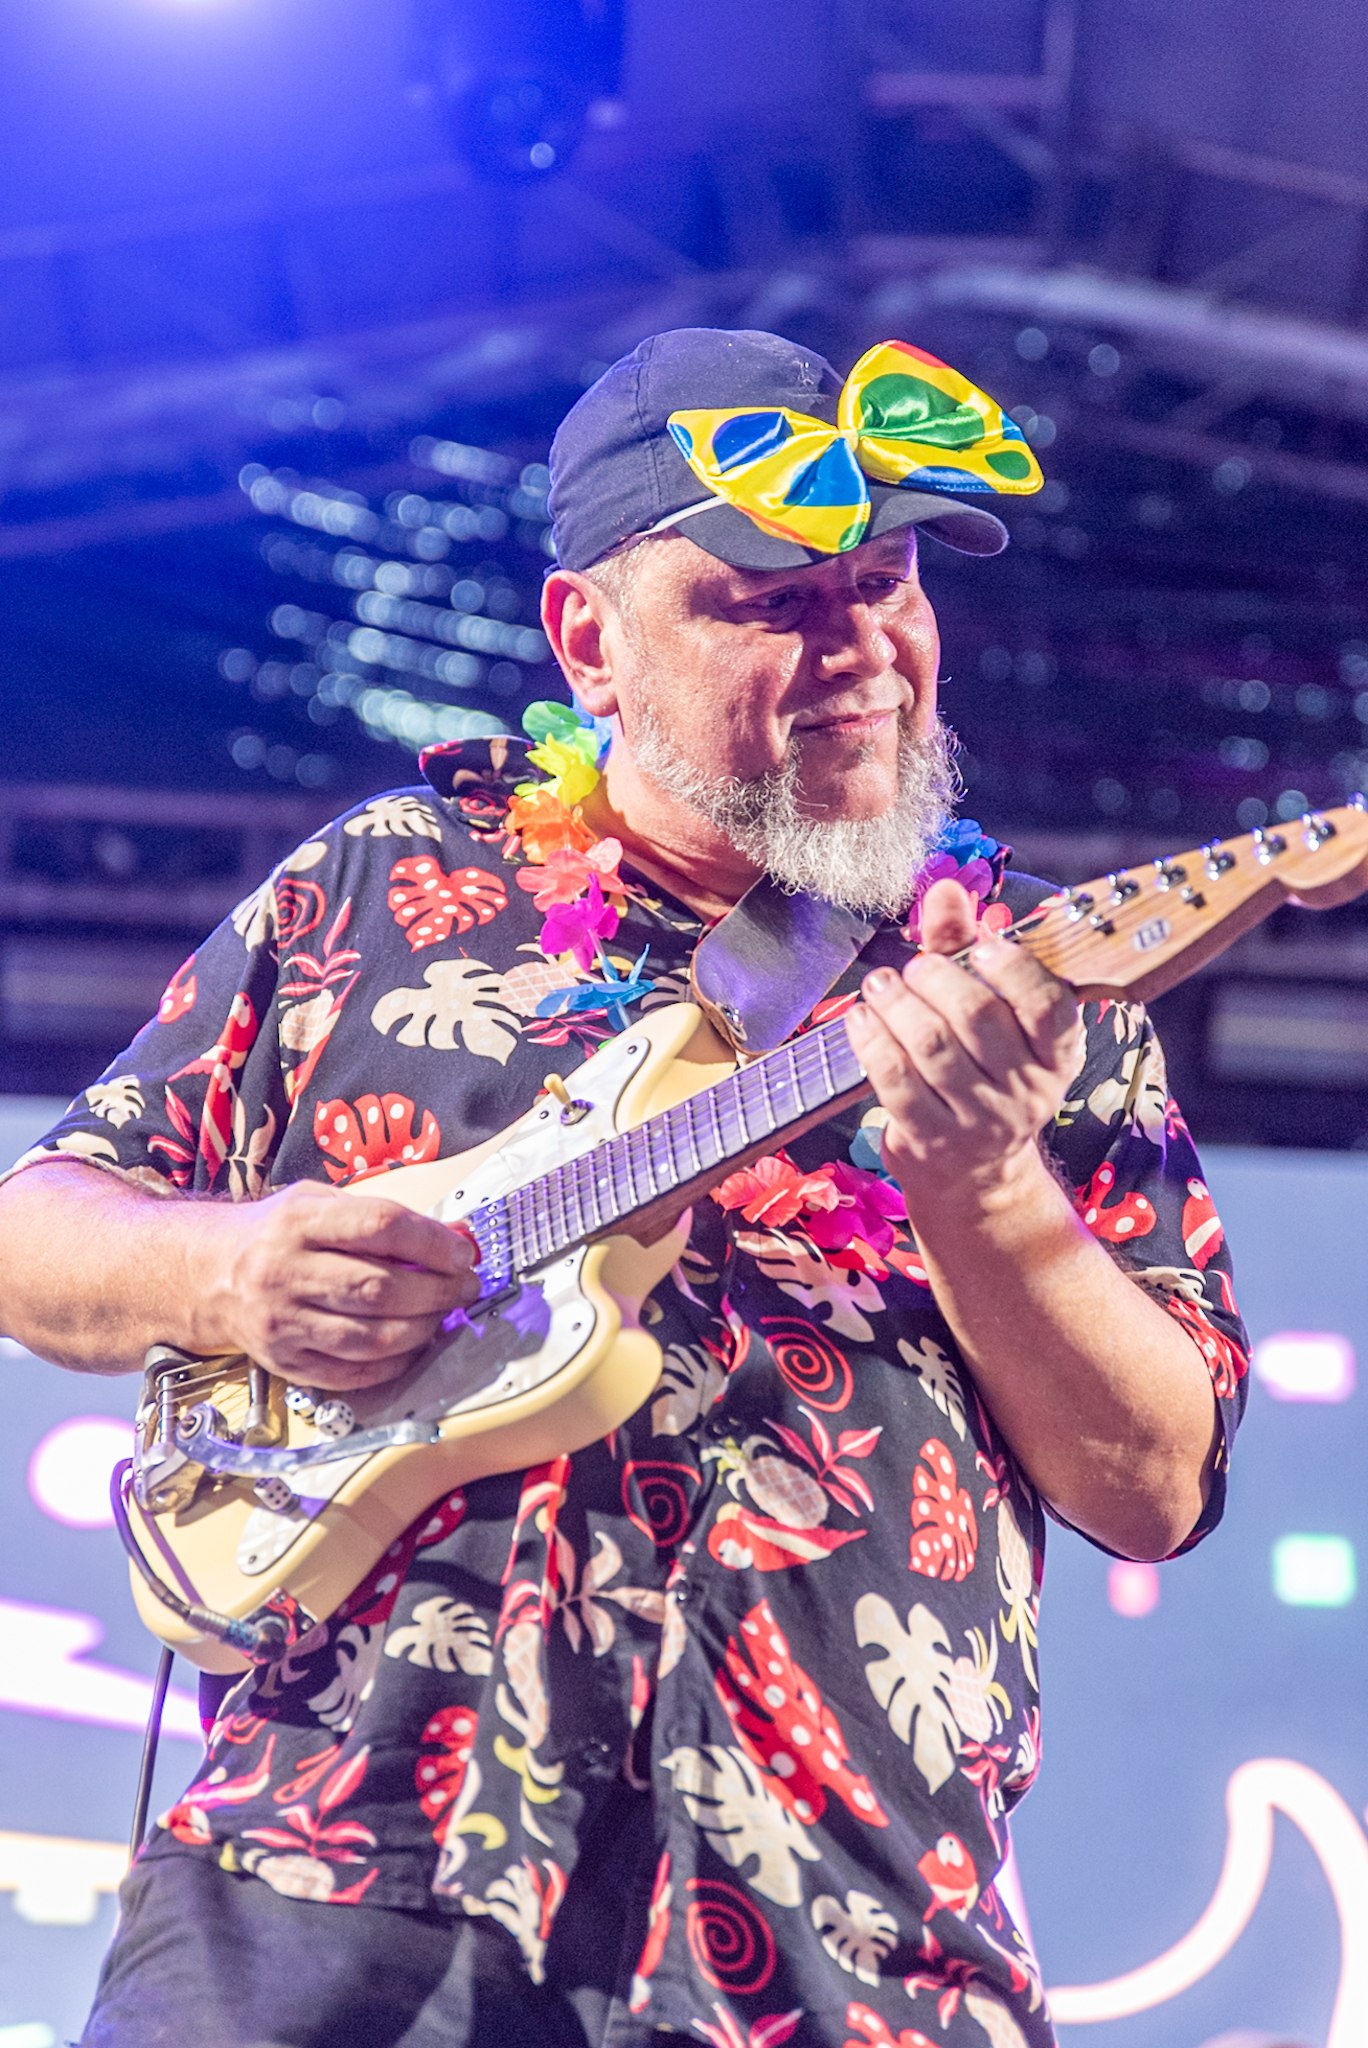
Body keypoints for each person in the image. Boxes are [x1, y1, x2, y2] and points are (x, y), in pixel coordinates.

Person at [0, 328, 1246, 2048]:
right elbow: (36, 1233)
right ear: (589, 640)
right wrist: (227, 1275)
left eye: (884, 583)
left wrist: (988, 1191)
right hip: (329, 1867)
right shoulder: (384, 884)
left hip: (846, 1926)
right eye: (775, 602)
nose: (861, 650)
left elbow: (1156, 1483)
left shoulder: (1031, 983)